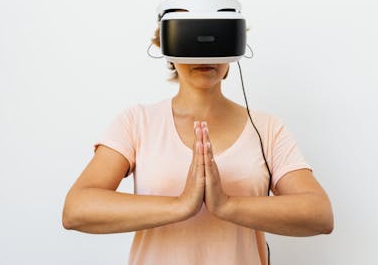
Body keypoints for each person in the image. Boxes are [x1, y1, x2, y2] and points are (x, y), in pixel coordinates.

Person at [62, 14, 334, 265]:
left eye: (217, 39)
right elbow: (77, 209)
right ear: (167, 44)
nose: (205, 54)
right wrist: (181, 205)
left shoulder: (267, 128)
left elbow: (319, 214)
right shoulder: (137, 122)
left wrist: (226, 205)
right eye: (192, 38)